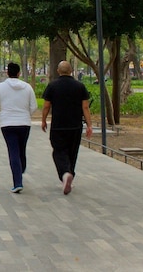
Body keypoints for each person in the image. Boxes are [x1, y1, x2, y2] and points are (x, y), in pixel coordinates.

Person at [41, 61, 93, 195]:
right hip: (75, 126)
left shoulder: (52, 86)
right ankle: (70, 175)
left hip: (58, 125)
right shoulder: (80, 86)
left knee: (58, 151)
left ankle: (65, 174)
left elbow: (46, 106)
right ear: (71, 71)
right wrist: (89, 125)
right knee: (72, 152)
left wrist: (43, 120)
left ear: (58, 71)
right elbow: (85, 107)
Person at [0, 62, 37, 193]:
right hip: (24, 123)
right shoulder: (27, 87)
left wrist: (1, 117)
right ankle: (21, 168)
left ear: (7, 73)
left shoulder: (0, 87)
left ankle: (17, 182)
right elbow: (34, 106)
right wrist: (26, 115)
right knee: (22, 149)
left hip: (8, 124)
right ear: (19, 73)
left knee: (13, 151)